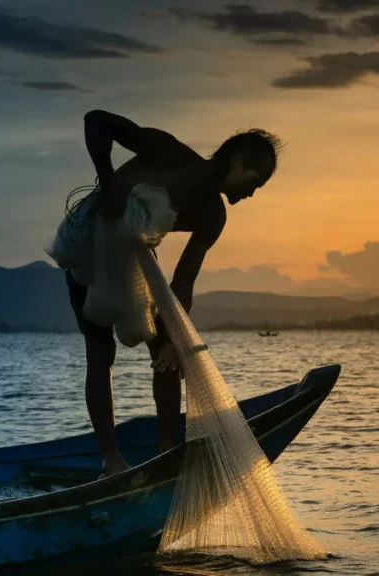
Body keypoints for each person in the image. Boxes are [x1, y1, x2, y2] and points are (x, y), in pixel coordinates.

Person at [63, 110, 280, 478]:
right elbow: (95, 120)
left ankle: (167, 451)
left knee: (167, 344)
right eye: (254, 180)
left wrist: (175, 341)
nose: (251, 192)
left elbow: (184, 281)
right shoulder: (167, 153)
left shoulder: (213, 215)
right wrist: (109, 181)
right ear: (237, 160)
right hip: (90, 245)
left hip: (135, 256)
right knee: (100, 351)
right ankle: (111, 460)